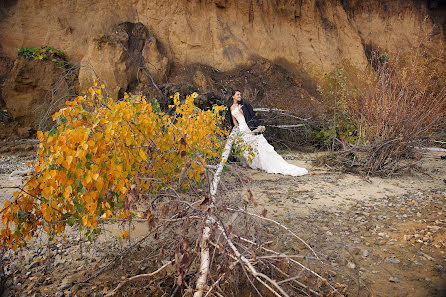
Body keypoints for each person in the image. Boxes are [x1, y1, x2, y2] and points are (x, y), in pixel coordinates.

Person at [229, 90, 308, 176]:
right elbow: (233, 119)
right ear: (233, 96)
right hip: (241, 128)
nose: (239, 96)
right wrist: (236, 127)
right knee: (242, 145)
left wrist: (241, 111)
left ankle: (263, 163)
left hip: (248, 127)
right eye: (237, 94)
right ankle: (252, 163)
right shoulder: (231, 107)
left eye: (240, 94)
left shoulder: (244, 105)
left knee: (259, 146)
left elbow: (249, 116)